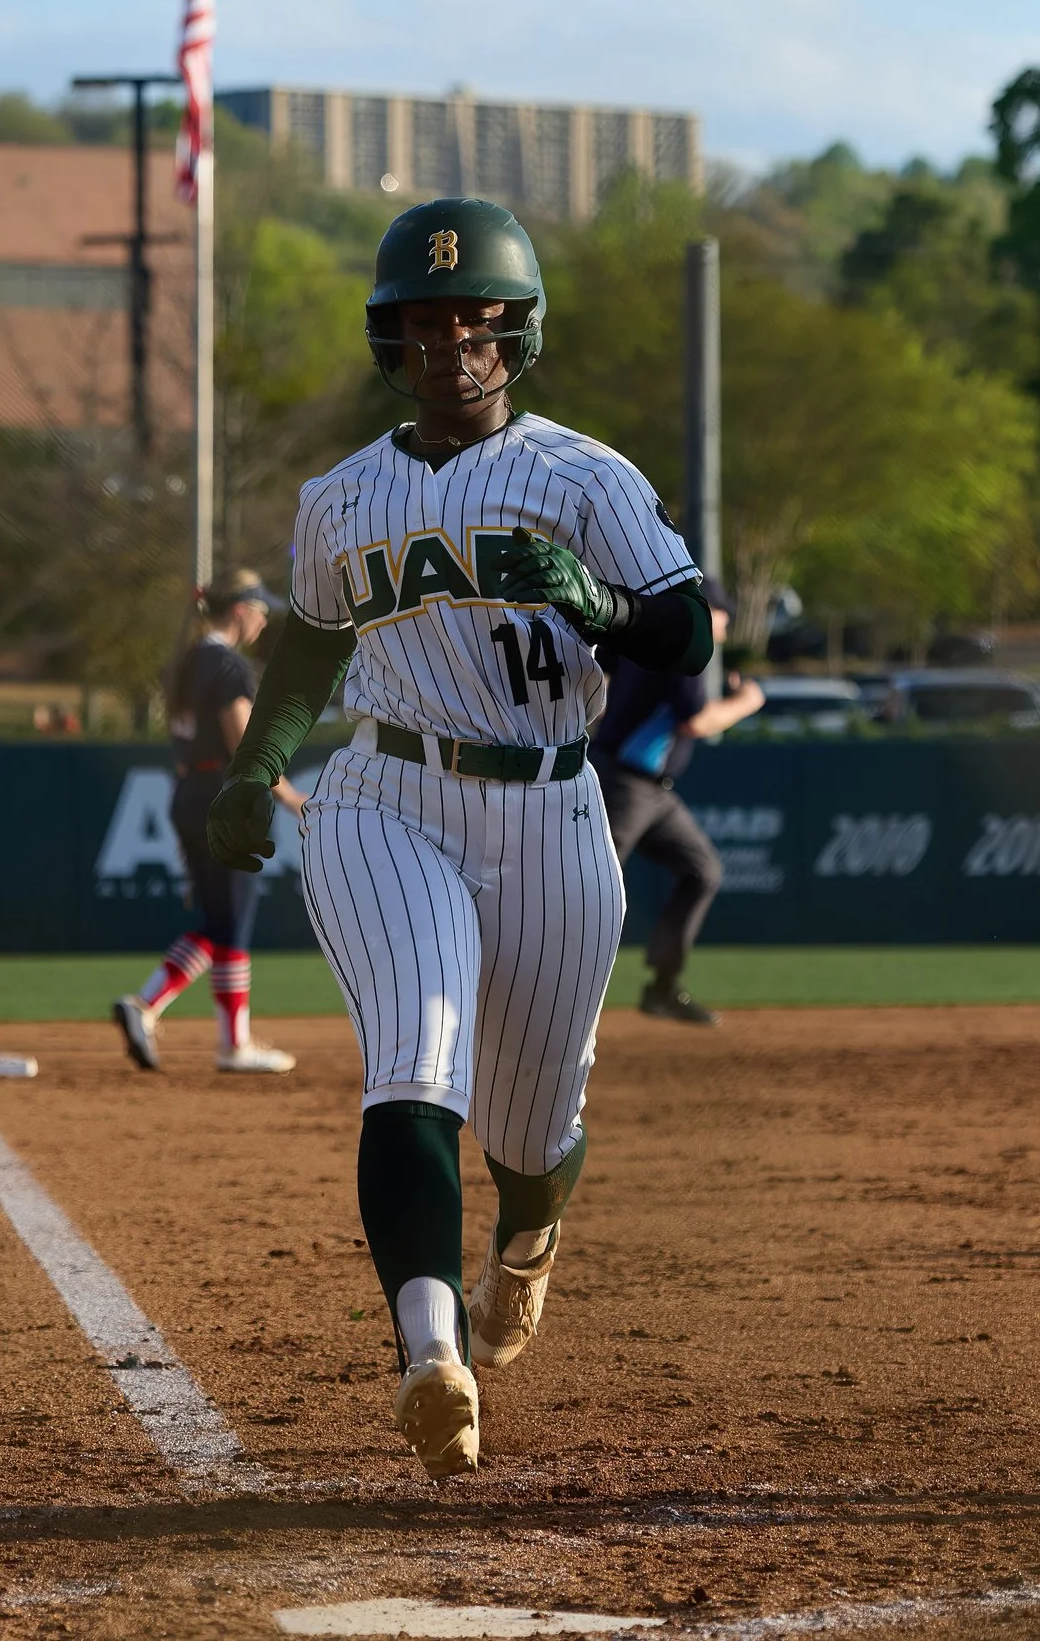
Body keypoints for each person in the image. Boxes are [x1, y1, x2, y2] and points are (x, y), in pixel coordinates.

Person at [201, 198, 710, 1478]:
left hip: (549, 802)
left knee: (532, 1133)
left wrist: (596, 599)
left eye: (479, 318)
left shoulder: (588, 476)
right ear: (391, 338)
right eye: (427, 320)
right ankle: (430, 1352)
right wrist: (264, 756)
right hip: (389, 795)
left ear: (519, 332)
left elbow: (687, 631)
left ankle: (526, 1240)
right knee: (412, 1062)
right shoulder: (340, 496)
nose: (454, 342)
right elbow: (315, 637)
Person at [112, 572, 304, 1074]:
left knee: (217, 923)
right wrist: (291, 798)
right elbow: (246, 743)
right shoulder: (225, 664)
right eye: (260, 609)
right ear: (239, 610)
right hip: (223, 797)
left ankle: (149, 1006)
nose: (264, 620)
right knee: (234, 922)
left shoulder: (186, 662)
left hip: (187, 794)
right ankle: (231, 1044)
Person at [591, 588, 766, 1024]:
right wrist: (747, 703)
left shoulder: (647, 639)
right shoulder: (685, 646)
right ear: (710, 615)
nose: (724, 627)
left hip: (651, 790)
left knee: (701, 870)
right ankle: (547, 996)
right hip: (624, 786)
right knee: (593, 890)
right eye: (724, 617)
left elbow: (603, 678)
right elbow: (696, 722)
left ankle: (663, 987)